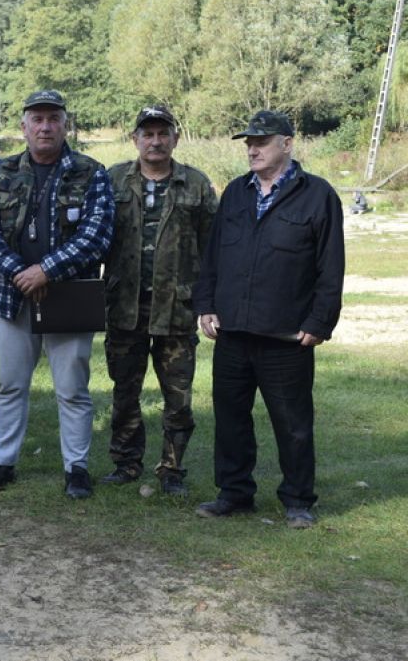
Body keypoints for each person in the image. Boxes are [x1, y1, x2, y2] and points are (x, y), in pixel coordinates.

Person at [193, 110, 344, 529]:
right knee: (230, 419)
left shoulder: (317, 195)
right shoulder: (236, 194)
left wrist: (319, 322)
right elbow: (214, 255)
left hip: (286, 335)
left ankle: (298, 500)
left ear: (287, 144)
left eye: (261, 141)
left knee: (293, 424)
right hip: (233, 332)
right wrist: (205, 303)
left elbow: (330, 268)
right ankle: (235, 494)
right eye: (248, 142)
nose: (252, 149)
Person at [0, 90, 114, 499]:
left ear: (65, 124)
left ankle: (77, 469)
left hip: (70, 298)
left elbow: (97, 236)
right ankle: (2, 464)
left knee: (72, 389)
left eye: (53, 118)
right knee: (11, 386)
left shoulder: (91, 172)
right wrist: (21, 272)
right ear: (24, 126)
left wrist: (46, 271)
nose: (45, 126)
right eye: (37, 119)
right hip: (15, 298)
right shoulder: (3, 171)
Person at [100, 105, 217, 495]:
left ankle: (172, 469)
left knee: (178, 398)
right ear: (134, 139)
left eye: (162, 133)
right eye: (147, 134)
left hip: (177, 309)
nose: (155, 141)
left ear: (175, 139)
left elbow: (212, 247)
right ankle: (126, 462)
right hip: (124, 307)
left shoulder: (196, 184)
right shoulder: (113, 180)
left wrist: (208, 301)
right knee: (124, 392)